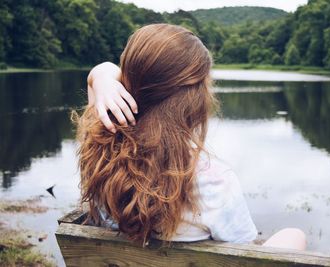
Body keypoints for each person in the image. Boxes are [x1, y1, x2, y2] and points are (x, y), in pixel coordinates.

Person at [77, 23, 306, 250]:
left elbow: (97, 76)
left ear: (124, 84)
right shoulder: (214, 181)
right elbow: (245, 255)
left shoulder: (99, 150)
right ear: (195, 98)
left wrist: (102, 78)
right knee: (294, 236)